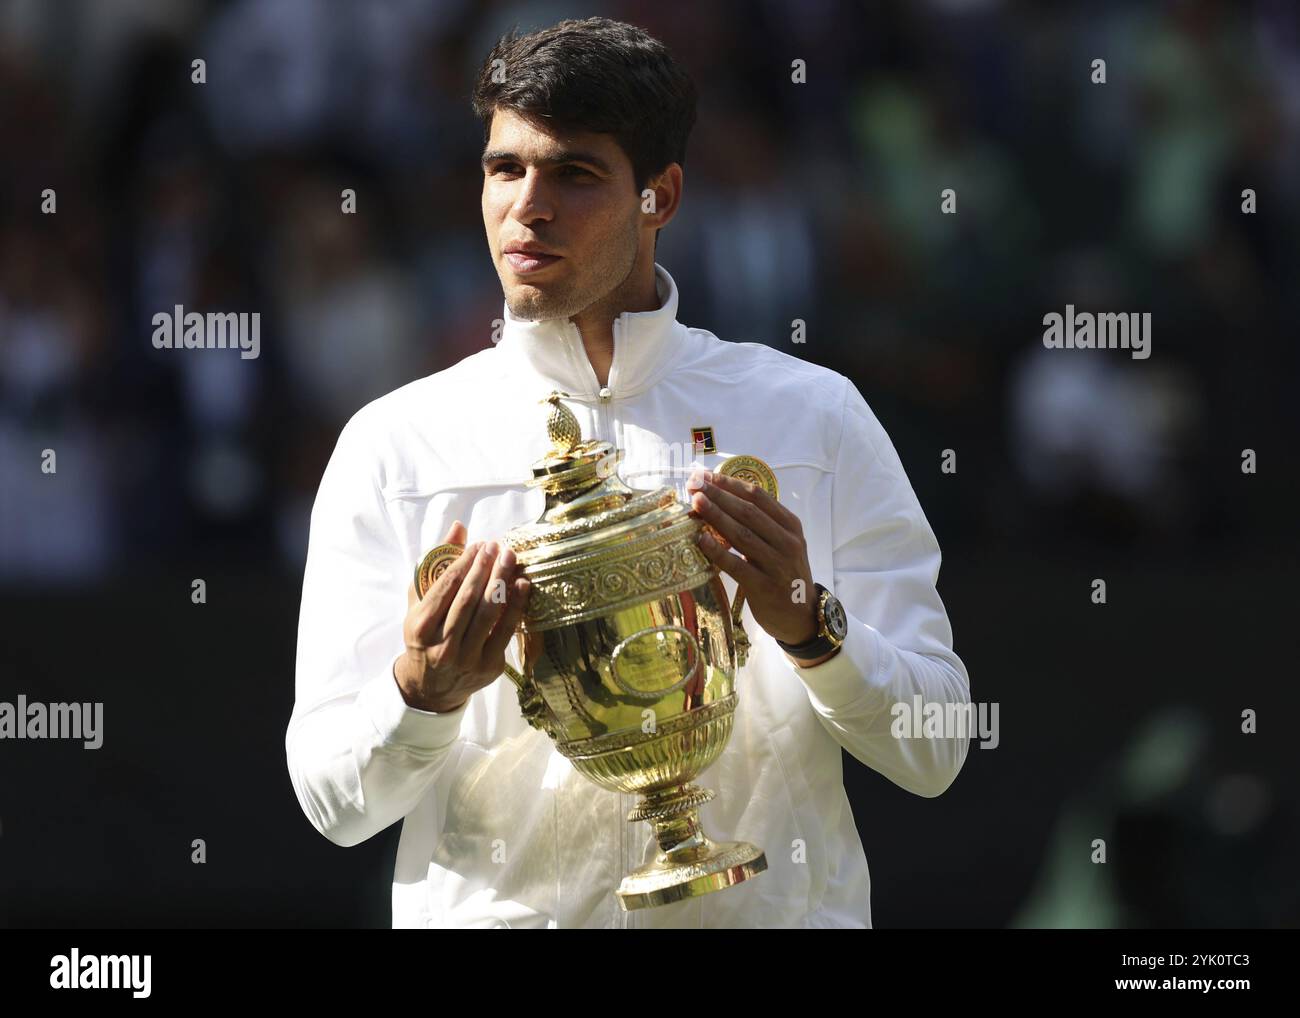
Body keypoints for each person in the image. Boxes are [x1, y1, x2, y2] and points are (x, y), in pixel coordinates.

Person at [286, 16, 971, 929]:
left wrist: (813, 628)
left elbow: (938, 749)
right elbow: (333, 803)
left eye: (573, 173)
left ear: (662, 196)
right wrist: (421, 693)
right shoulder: (396, 445)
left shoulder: (815, 416)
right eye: (504, 169)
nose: (528, 207)